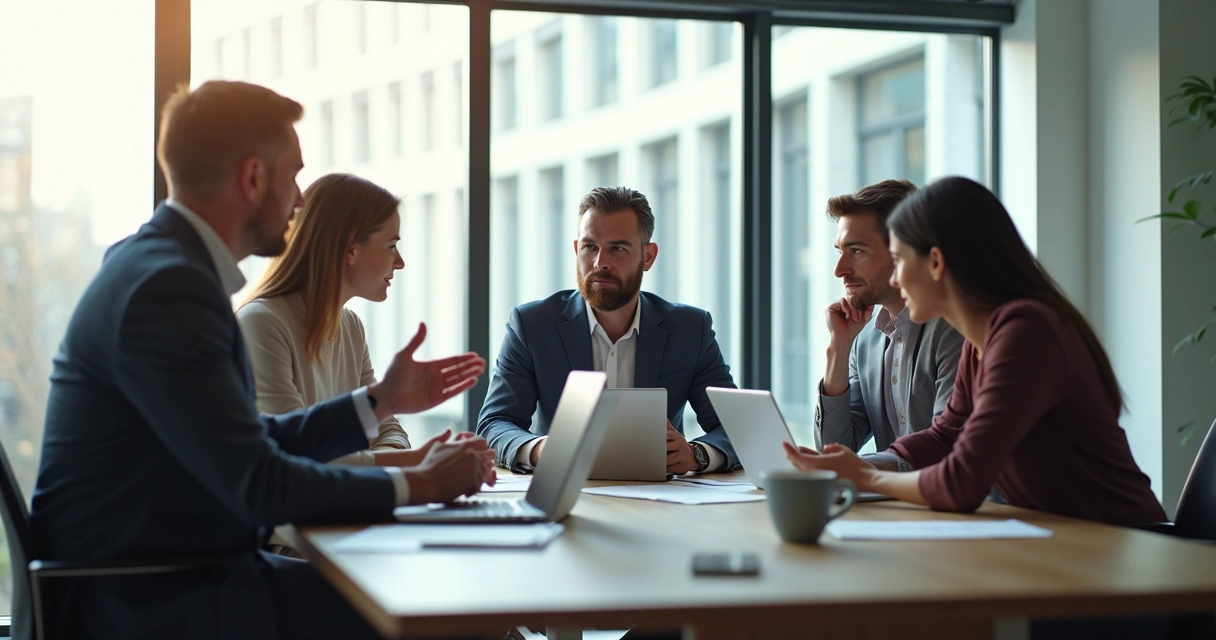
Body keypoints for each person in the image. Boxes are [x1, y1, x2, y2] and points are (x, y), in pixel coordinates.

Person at [29, 80, 493, 640]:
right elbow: (258, 482)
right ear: (253, 178)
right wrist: (417, 484)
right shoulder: (169, 289)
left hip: (176, 573)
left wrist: (378, 402)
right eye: (294, 175)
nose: (300, 200)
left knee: (425, 594)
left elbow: (252, 439)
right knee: (435, 608)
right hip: (149, 597)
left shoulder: (160, 267)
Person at [785, 176, 1165, 526]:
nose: (897, 279)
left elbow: (961, 482)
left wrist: (865, 475)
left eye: (900, 261)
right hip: (1063, 539)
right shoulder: (983, 339)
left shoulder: (1026, 331)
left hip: (1120, 545)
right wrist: (851, 466)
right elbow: (944, 436)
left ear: (935, 263)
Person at [477, 186, 739, 475]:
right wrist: (540, 450)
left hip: (659, 501)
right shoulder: (532, 326)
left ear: (648, 256)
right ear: (577, 250)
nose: (600, 262)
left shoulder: (690, 329)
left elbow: (736, 428)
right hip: (564, 492)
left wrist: (696, 454)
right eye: (590, 247)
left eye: (618, 248)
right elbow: (495, 424)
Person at [816, 179, 964, 470]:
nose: (840, 270)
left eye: (856, 251)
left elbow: (947, 449)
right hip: (897, 505)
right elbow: (833, 450)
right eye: (840, 251)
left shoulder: (955, 330)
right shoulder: (866, 340)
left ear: (903, 251)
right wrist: (839, 348)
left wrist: (861, 471)